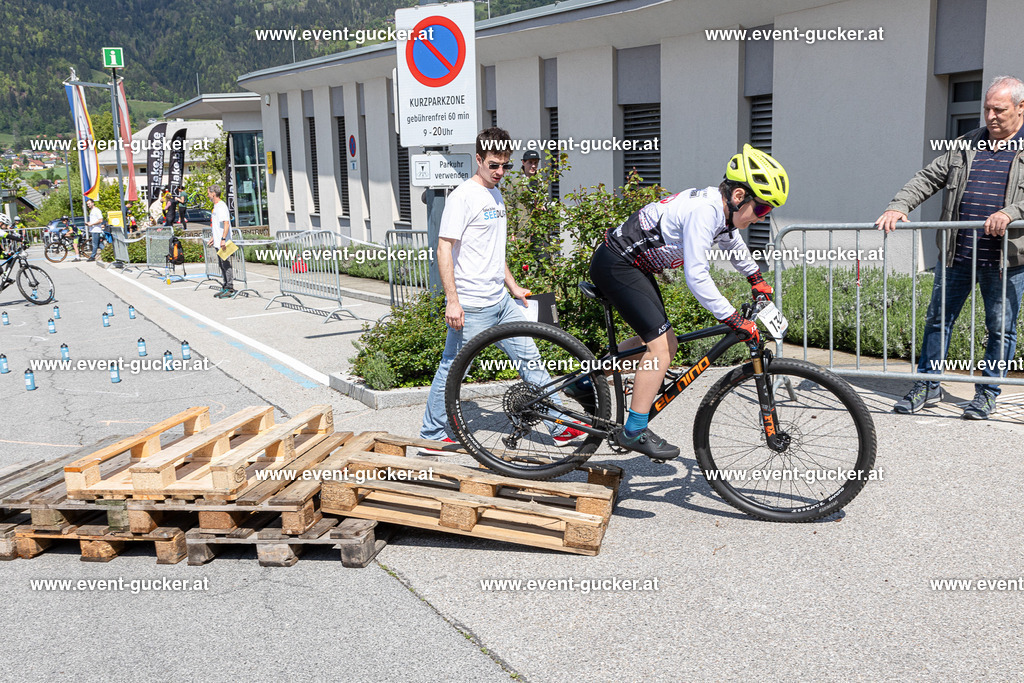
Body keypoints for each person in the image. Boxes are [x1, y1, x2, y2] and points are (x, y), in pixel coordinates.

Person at [581, 144, 787, 460]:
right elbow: (697, 277)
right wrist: (731, 317)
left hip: (629, 264)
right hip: (616, 263)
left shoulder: (721, 213)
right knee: (661, 348)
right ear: (738, 197)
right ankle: (634, 430)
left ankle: (584, 382)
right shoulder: (704, 212)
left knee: (664, 342)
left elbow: (731, 243)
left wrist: (754, 278)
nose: (762, 218)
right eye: (761, 210)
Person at [420, 126, 585, 446]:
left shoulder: (496, 194)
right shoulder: (462, 197)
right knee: (452, 370)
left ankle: (560, 425)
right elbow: (443, 249)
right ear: (478, 159)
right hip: (472, 305)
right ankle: (433, 433)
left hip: (501, 301)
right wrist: (452, 301)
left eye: (505, 165)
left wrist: (514, 286)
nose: (499, 171)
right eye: (493, 165)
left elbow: (493, 250)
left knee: (530, 358)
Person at [876, 75, 1024, 420]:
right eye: (986, 108)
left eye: (999, 109)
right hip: (958, 255)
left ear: (1020, 108)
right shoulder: (966, 144)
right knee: (938, 321)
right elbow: (928, 178)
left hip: (1005, 261)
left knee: (1000, 328)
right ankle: (927, 385)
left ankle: (987, 393)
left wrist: (1011, 212)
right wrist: (899, 205)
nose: (990, 116)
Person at [207, 185, 234, 298]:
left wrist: (223, 239)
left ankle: (230, 287)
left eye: (208, 193)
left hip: (224, 242)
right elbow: (218, 225)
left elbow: (226, 224)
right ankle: (225, 285)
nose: (208, 195)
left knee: (226, 264)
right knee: (221, 264)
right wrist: (214, 237)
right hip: (218, 241)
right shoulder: (216, 206)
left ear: (213, 193)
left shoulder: (221, 206)